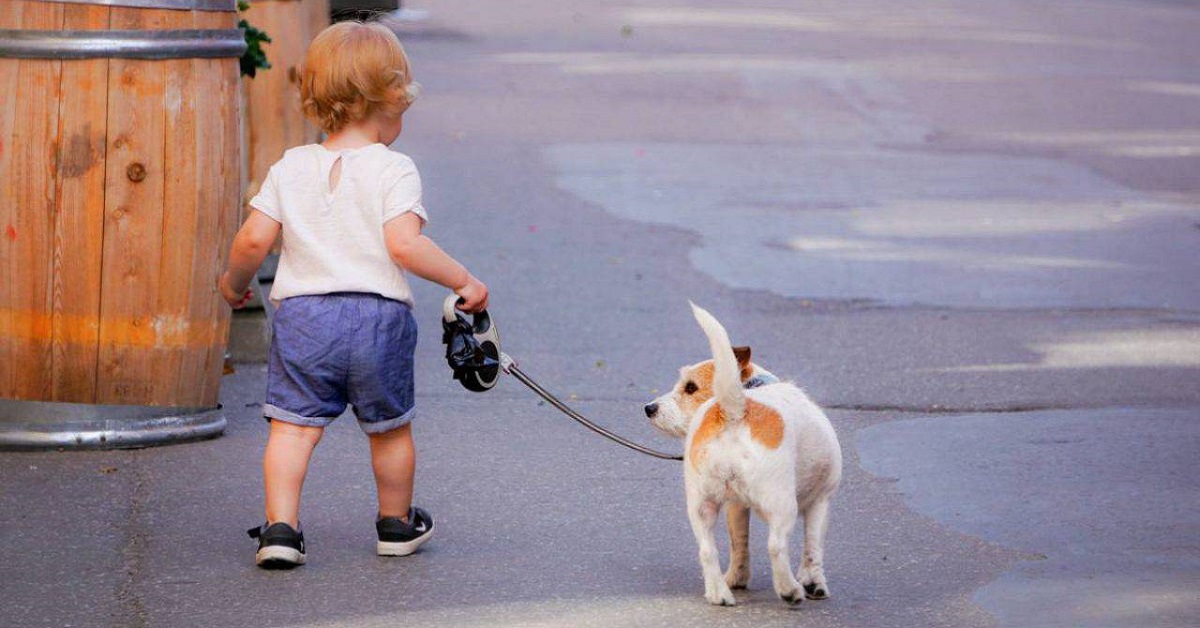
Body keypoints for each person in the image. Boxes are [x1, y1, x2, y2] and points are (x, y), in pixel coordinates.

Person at [218, 20, 488, 569]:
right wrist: (463, 280)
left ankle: (280, 530)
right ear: (390, 101)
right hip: (377, 319)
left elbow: (253, 238)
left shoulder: (291, 166)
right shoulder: (395, 169)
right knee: (389, 431)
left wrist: (233, 285)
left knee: (292, 430)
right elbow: (405, 245)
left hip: (304, 319)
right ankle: (395, 523)